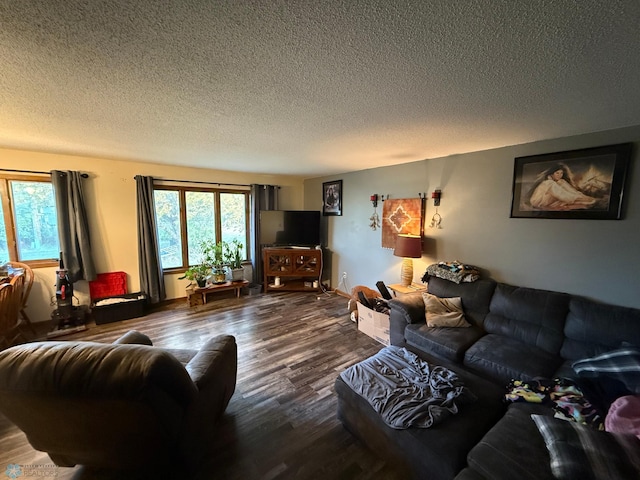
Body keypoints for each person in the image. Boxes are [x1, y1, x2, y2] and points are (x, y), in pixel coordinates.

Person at [527, 163, 597, 211]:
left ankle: (583, 199)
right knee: (568, 199)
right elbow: (562, 195)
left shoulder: (559, 182)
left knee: (562, 182)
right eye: (557, 173)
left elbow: (571, 191)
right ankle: (583, 199)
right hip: (538, 202)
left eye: (561, 173)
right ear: (552, 173)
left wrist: (581, 196)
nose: (559, 175)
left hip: (548, 199)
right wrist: (581, 199)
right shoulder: (548, 183)